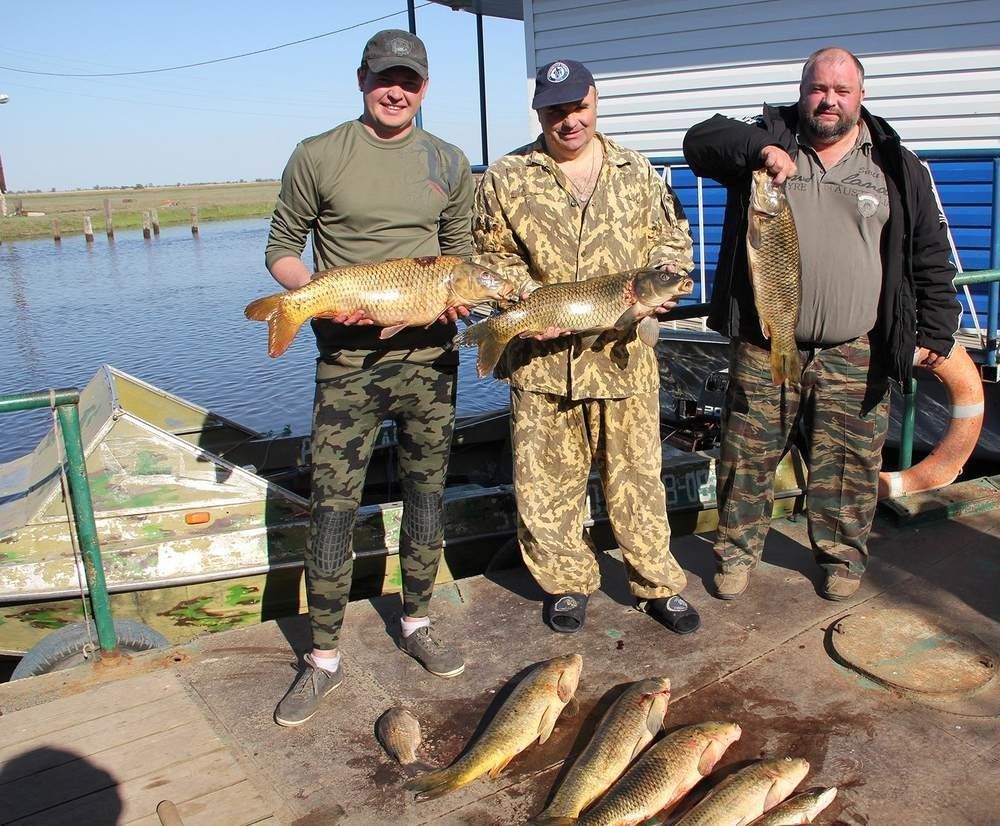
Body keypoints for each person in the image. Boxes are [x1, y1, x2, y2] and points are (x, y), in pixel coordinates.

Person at [683, 46, 960, 602]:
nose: (827, 100)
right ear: (802, 90)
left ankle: (840, 558)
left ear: (861, 97)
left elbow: (928, 254)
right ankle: (736, 553)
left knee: (849, 461)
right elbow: (700, 142)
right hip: (766, 343)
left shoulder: (894, 165)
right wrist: (763, 148)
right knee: (747, 454)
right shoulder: (769, 146)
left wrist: (934, 332)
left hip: (855, 347)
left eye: (841, 90)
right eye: (817, 88)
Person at [264, 29, 474, 727]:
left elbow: (461, 256)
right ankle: (322, 658)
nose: (396, 90)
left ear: (424, 86)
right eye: (385, 78)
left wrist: (463, 296)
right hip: (347, 367)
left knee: (426, 496)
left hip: (430, 363)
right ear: (361, 80)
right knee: (331, 508)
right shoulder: (318, 154)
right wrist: (315, 294)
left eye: (409, 80)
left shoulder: (448, 160)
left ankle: (418, 622)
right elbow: (281, 250)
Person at [474, 58, 701, 635]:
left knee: (638, 480)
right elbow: (490, 260)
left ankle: (655, 583)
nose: (567, 120)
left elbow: (674, 239)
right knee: (546, 487)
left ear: (594, 100)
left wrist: (668, 280)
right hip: (543, 362)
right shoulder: (507, 176)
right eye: (554, 110)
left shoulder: (638, 171)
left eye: (577, 106)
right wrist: (532, 305)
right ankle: (567, 583)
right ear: (539, 113)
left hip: (624, 361)